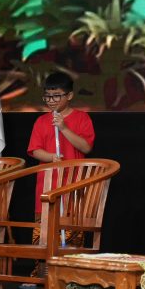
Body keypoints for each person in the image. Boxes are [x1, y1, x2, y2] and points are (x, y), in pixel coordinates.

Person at [26, 71, 95, 268]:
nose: (51, 101)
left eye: (56, 96)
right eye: (48, 96)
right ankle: (42, 274)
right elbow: (35, 150)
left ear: (69, 95)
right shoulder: (41, 121)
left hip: (72, 187)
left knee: (72, 233)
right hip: (47, 186)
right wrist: (51, 157)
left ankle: (71, 275)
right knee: (44, 234)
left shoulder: (82, 118)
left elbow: (86, 147)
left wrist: (64, 128)